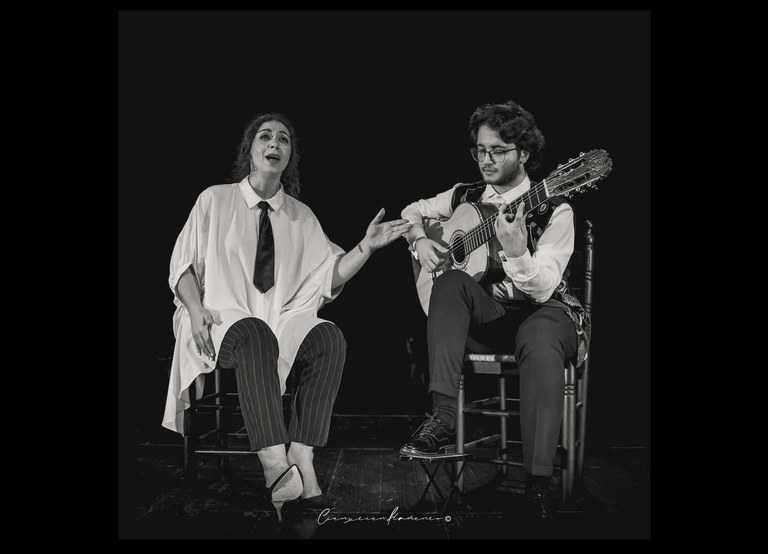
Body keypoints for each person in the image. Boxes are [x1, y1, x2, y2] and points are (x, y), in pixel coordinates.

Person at [162, 112, 411, 522]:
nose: (274, 143)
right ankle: (276, 467)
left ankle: (302, 454)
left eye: (283, 139)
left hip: (280, 316)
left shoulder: (301, 215)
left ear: (290, 156)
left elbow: (328, 274)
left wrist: (366, 247)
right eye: (265, 137)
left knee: (329, 338)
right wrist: (195, 308)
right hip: (218, 314)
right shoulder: (215, 200)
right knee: (255, 333)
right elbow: (183, 265)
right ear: (250, 150)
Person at [398, 100, 590, 519]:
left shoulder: (555, 208)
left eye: (498, 151)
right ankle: (442, 417)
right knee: (449, 281)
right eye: (480, 150)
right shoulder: (464, 196)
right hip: (491, 317)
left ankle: (537, 483)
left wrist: (518, 252)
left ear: (524, 152)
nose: (486, 159)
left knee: (540, 339)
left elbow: (543, 288)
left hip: (546, 313)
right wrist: (419, 240)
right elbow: (412, 211)